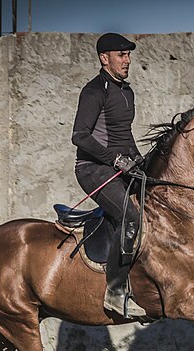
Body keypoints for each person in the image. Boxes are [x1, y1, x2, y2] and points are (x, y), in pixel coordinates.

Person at [71, 32, 145, 318]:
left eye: (128, 55)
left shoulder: (126, 92)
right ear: (105, 58)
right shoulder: (94, 90)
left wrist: (140, 163)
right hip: (92, 170)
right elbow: (79, 136)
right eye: (121, 55)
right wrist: (115, 159)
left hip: (119, 166)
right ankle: (115, 292)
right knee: (130, 216)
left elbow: (124, 137)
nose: (127, 60)